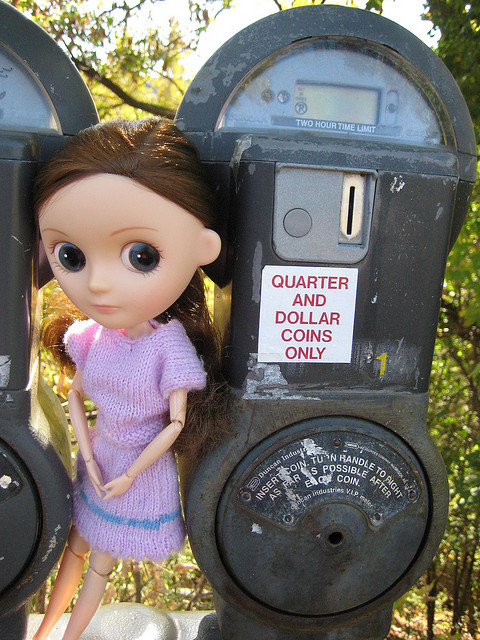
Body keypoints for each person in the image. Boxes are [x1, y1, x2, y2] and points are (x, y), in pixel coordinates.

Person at [32, 117, 224, 640]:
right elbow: (75, 396)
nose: (97, 283)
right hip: (99, 461)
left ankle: (66, 636)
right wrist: (90, 454)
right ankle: (45, 630)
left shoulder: (168, 348)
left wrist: (130, 474)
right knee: (74, 546)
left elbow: (174, 424)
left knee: (99, 563)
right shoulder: (94, 338)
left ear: (204, 248)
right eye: (71, 256)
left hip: (135, 475)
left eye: (141, 256)